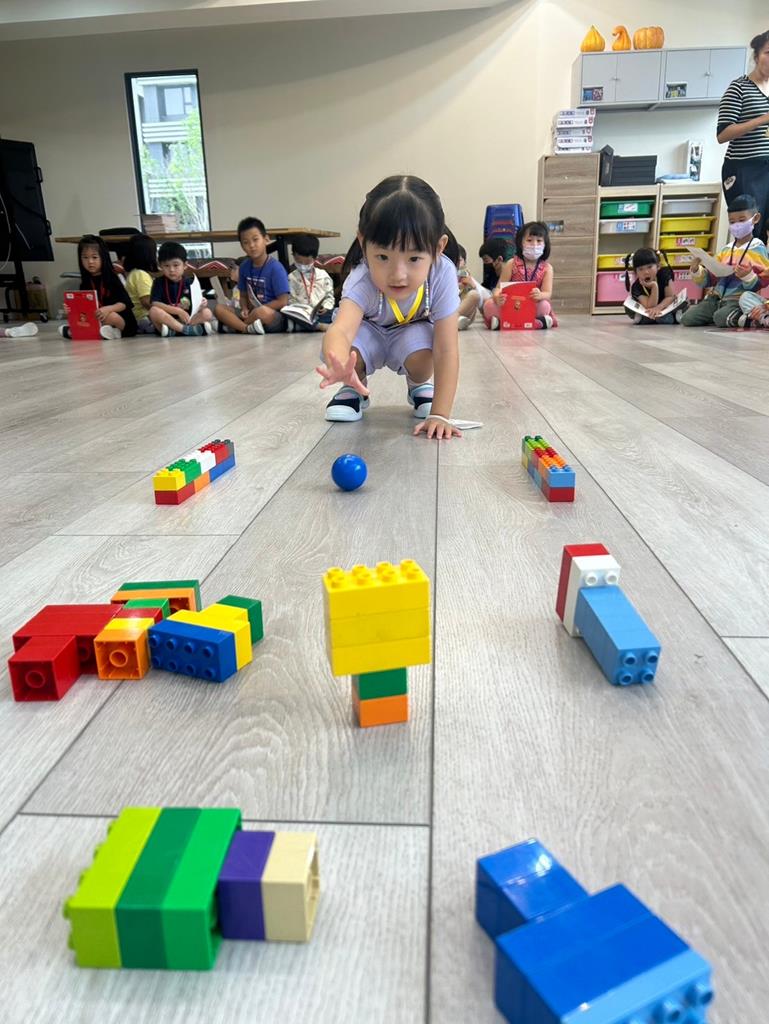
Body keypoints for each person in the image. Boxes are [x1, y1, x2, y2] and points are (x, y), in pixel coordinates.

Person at [316, 174, 461, 440]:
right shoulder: (361, 278)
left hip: (410, 332)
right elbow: (341, 331)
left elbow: (447, 347)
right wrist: (340, 365)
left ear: (438, 248)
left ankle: (418, 384)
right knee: (349, 353)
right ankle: (353, 388)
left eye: (414, 258)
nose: (398, 274)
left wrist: (440, 414)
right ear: (363, 243)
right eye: (383, 256)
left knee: (426, 357)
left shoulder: (442, 274)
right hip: (368, 332)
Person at [681, 194, 769, 328]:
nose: (736, 225)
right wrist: (696, 270)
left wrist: (748, 276)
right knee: (687, 318)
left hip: (736, 301)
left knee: (720, 318)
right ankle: (722, 315)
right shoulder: (726, 249)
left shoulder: (758, 249)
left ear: (755, 218)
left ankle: (743, 317)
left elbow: (762, 281)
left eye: (742, 220)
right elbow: (710, 279)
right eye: (732, 222)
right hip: (715, 299)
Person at [717, 29, 769, 242]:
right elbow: (723, 134)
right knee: (748, 230)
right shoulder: (739, 88)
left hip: (766, 167)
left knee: (764, 230)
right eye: (768, 53)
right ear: (756, 56)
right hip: (743, 168)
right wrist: (762, 119)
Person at [213, 217, 290, 334]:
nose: (252, 245)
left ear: (266, 239)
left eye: (255, 239)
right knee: (219, 308)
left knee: (262, 312)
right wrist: (244, 308)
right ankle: (246, 328)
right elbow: (243, 296)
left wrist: (259, 310)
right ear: (242, 246)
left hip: (272, 315)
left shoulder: (276, 268)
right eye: (246, 242)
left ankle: (236, 327)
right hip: (250, 313)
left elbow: (282, 301)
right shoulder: (244, 266)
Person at [58, 234, 136, 339]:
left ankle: (81, 332)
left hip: (123, 322)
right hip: (98, 317)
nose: (90, 262)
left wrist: (108, 309)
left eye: (94, 257)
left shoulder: (113, 278)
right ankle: (104, 332)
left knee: (110, 316)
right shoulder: (85, 282)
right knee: (85, 318)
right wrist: (71, 309)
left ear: (103, 257)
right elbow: (84, 308)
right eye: (85, 257)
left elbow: (125, 304)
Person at [483, 222, 558, 330]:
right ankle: (535, 323)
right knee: (489, 305)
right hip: (511, 305)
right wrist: (497, 297)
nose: (534, 244)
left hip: (532, 305)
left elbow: (547, 293)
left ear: (545, 244)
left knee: (544, 305)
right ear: (520, 243)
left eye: (539, 241)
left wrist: (540, 295)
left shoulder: (547, 268)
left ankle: (503, 323)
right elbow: (498, 289)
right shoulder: (511, 263)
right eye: (529, 240)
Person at [148, 241, 214, 336]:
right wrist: (177, 311)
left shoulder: (190, 282)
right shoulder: (158, 282)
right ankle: (187, 330)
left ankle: (176, 330)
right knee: (153, 311)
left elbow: (196, 304)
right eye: (166, 266)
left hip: (186, 319)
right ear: (160, 266)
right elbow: (155, 303)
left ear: (185, 265)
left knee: (207, 313)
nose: (171, 270)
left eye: (176, 265)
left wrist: (202, 303)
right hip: (167, 320)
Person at [622, 248, 687, 324]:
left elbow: (670, 297)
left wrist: (658, 308)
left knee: (685, 301)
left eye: (650, 267)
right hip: (649, 310)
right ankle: (668, 318)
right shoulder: (636, 286)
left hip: (666, 306)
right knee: (629, 308)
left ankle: (671, 315)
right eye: (640, 269)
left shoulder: (664, 274)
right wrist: (654, 286)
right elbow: (650, 306)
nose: (646, 272)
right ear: (636, 272)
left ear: (658, 266)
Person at [288, 235, 335, 332]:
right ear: (293, 256)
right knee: (289, 315)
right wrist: (299, 309)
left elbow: (329, 296)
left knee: (337, 311)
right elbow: (290, 300)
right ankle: (318, 326)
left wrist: (326, 307)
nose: (303, 265)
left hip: (320, 314)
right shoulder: (291, 278)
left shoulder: (323, 275)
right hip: (301, 314)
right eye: (298, 261)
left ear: (315, 258)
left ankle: (305, 326)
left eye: (307, 262)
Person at [123, 232, 158, 334]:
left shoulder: (134, 273)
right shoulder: (141, 275)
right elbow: (146, 302)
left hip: (137, 317)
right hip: (143, 318)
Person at [456, 244, 489, 330]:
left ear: (465, 262)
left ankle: (455, 321)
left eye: (459, 260)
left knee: (474, 294)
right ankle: (453, 322)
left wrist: (472, 285)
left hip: (465, 314)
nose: (457, 264)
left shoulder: (466, 275)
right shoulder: (445, 274)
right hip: (450, 311)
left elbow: (482, 296)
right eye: (454, 261)